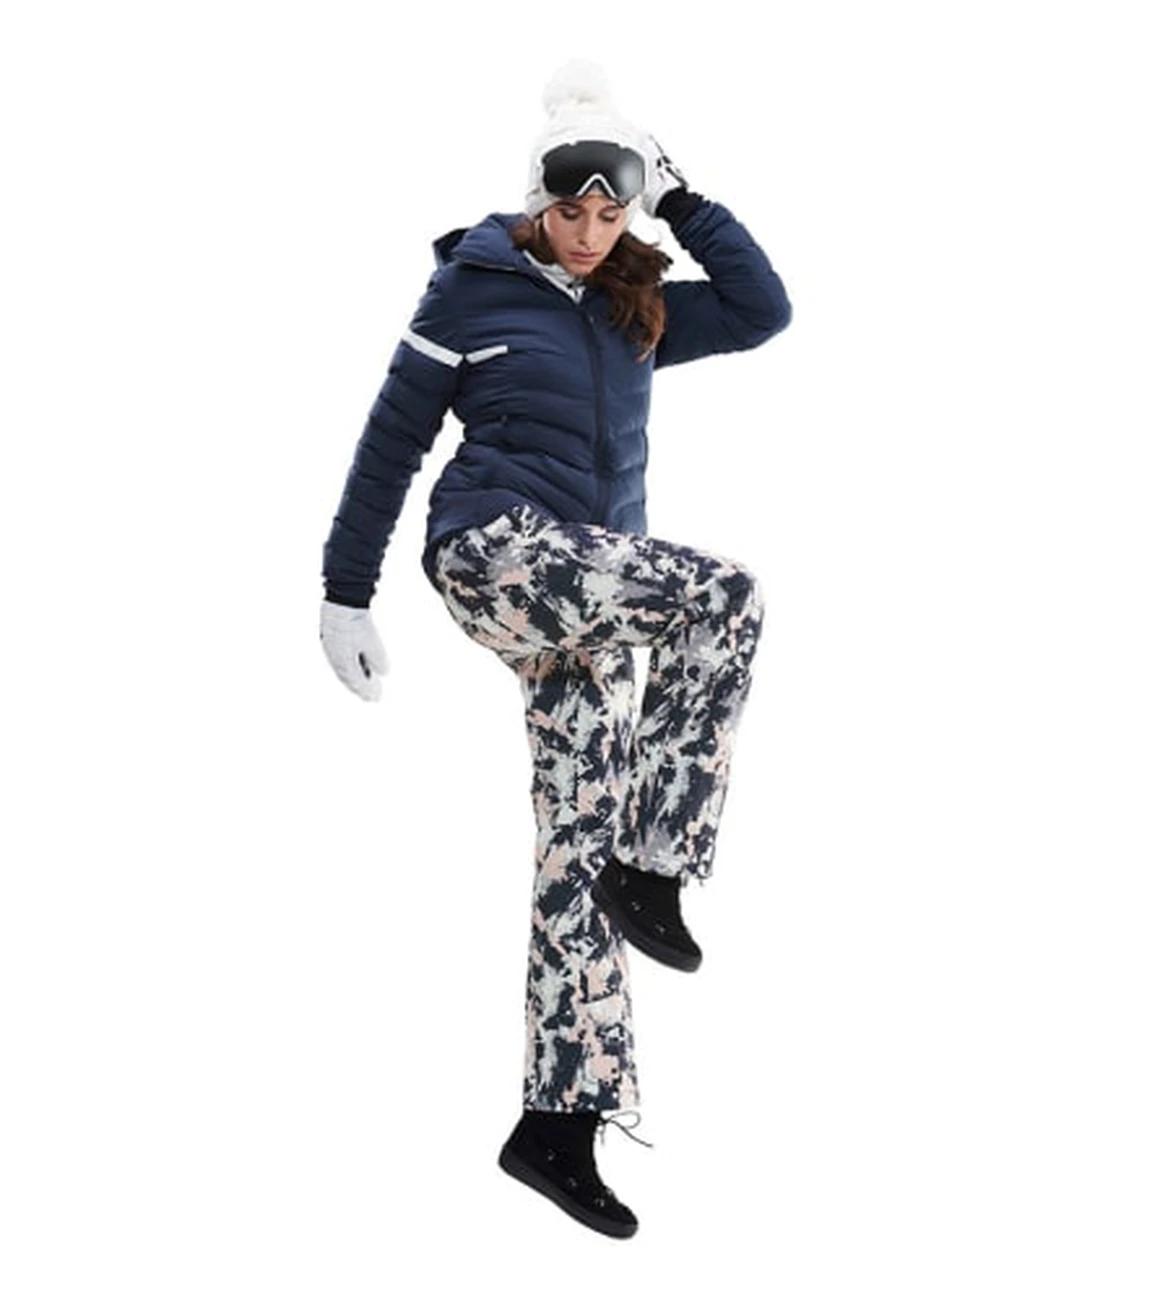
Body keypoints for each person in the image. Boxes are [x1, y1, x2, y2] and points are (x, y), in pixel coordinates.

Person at [319, 63, 791, 1239]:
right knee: (723, 594)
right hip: (495, 550)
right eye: (570, 209)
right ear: (536, 200)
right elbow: (390, 442)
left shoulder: (635, 307)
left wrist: (682, 198)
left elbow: (763, 308)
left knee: (576, 854)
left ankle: (556, 1121)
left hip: (592, 588)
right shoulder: (469, 291)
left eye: (610, 211)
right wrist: (345, 592)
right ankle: (658, 860)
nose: (587, 233)